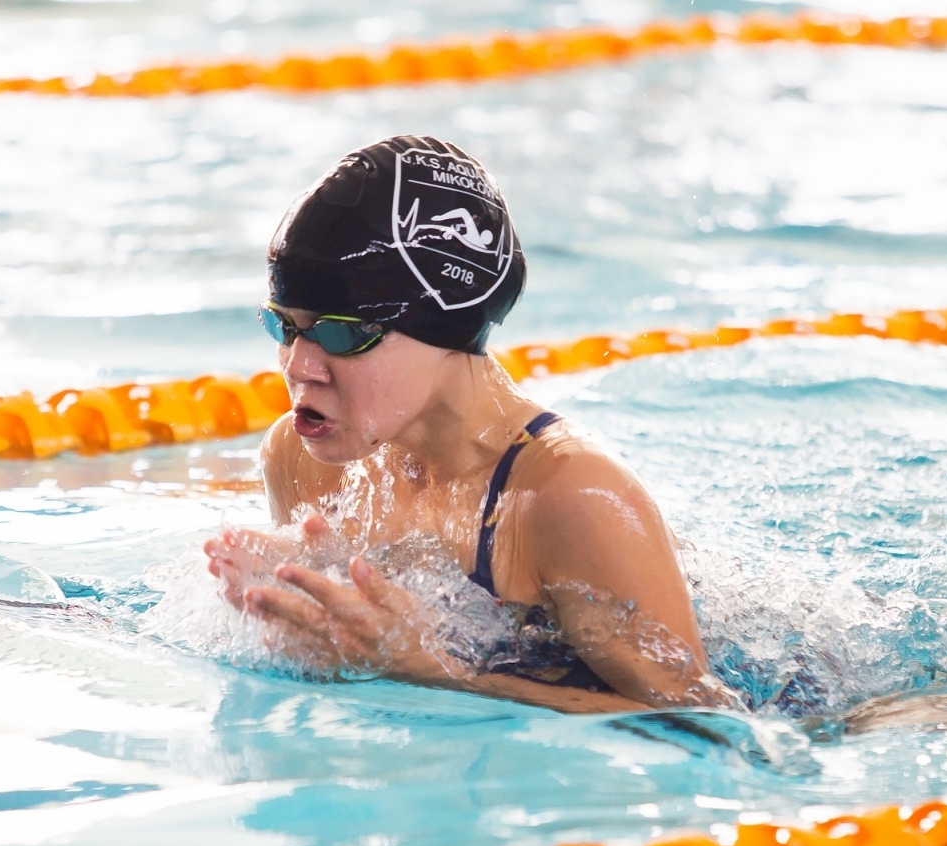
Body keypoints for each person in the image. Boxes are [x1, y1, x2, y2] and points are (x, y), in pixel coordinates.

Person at [204, 135, 737, 714]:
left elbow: (704, 723)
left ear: (443, 327)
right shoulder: (300, 457)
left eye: (342, 332)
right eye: (283, 326)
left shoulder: (569, 496)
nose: (300, 366)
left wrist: (427, 669)